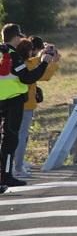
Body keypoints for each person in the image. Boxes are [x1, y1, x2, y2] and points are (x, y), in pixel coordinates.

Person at [1, 23, 54, 191]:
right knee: (10, 140)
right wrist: (44, 62)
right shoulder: (13, 55)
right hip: (13, 101)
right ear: (16, 37)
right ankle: (7, 176)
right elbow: (27, 77)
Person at [13, 36, 59, 179]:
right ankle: (17, 167)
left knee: (15, 136)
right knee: (20, 136)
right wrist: (50, 60)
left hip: (14, 103)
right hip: (25, 104)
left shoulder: (15, 62)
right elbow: (44, 75)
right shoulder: (30, 64)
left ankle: (16, 164)